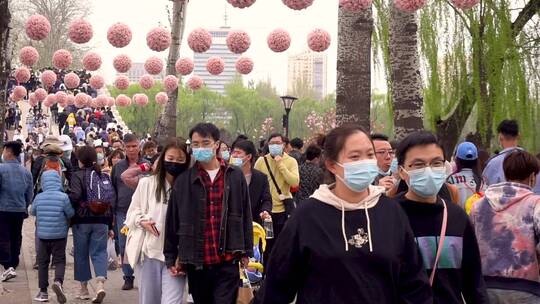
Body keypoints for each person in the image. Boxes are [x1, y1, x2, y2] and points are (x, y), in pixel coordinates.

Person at [254, 125, 432, 303]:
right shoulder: (308, 216)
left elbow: (414, 284)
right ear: (332, 165)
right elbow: (276, 285)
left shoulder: (391, 213)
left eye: (370, 155)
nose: (365, 162)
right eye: (355, 157)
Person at [164, 123, 253, 304]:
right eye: (195, 144)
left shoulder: (234, 176)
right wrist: (171, 257)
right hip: (197, 262)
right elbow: (173, 221)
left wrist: (246, 250)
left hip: (227, 259)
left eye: (205, 143)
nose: (200, 148)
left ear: (216, 144)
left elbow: (245, 214)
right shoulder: (184, 181)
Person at [395, 131, 488, 303]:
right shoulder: (389, 216)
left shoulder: (456, 217)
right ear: (402, 171)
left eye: (436, 163)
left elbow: (473, 280)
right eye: (418, 165)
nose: (429, 170)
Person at [124, 138, 190, 304]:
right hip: (150, 253)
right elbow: (131, 214)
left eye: (180, 160)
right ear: (163, 158)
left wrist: (183, 255)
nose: (175, 163)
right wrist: (142, 221)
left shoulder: (189, 188)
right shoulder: (147, 184)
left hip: (176, 258)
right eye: (171, 158)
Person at [470, 150, 540, 303]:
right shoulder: (535, 204)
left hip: (486, 288)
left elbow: (470, 249)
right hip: (526, 289)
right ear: (532, 177)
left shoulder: (478, 206)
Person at [68, 146, 115, 303]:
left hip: (82, 220)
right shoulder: (102, 175)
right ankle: (100, 284)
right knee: (100, 252)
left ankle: (84, 289)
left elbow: (74, 196)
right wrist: (111, 224)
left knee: (81, 254)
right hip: (102, 220)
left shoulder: (77, 175)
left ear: (80, 160)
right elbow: (111, 199)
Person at [254, 133, 299, 262]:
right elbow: (256, 183)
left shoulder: (291, 161)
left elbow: (294, 182)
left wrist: (281, 165)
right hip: (266, 212)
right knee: (265, 246)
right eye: (272, 143)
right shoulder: (262, 161)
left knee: (282, 246)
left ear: (284, 145)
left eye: (278, 143)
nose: (275, 145)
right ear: (268, 145)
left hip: (283, 211)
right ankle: (265, 274)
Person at [30, 170, 75, 303]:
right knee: (60, 260)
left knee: (43, 263)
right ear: (59, 181)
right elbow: (70, 213)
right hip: (60, 235)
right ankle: (58, 282)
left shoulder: (39, 197)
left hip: (43, 236)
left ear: (43, 182)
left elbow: (32, 211)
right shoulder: (63, 197)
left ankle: (43, 292)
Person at [111, 133, 147, 290]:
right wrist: (111, 212)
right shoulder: (118, 167)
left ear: (139, 146)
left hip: (143, 210)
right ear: (124, 148)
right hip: (122, 210)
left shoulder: (147, 165)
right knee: (124, 243)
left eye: (134, 146)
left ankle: (144, 276)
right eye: (128, 147)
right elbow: (112, 189)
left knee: (143, 244)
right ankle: (128, 276)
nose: (132, 150)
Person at [0, 141, 33, 282]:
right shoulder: (26, 172)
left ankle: (7, 265)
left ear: (8, 151)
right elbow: (29, 194)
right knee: (15, 235)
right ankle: (14, 261)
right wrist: (24, 205)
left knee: (3, 236)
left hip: (3, 208)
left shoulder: (1, 169)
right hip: (19, 209)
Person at [230, 139, 272, 224]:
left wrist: (265, 211)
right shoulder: (227, 175)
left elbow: (266, 199)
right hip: (231, 223)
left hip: (253, 223)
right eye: (233, 152)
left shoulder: (261, 178)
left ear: (249, 157)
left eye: (238, 153)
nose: (234, 156)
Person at [482, 119, 521, 186]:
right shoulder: (531, 161)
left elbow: (486, 187)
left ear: (500, 137)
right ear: (519, 136)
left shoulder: (494, 163)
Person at [447, 142, 483, 209]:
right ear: (476, 161)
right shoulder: (483, 181)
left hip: (457, 218)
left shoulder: (451, 179)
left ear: (457, 159)